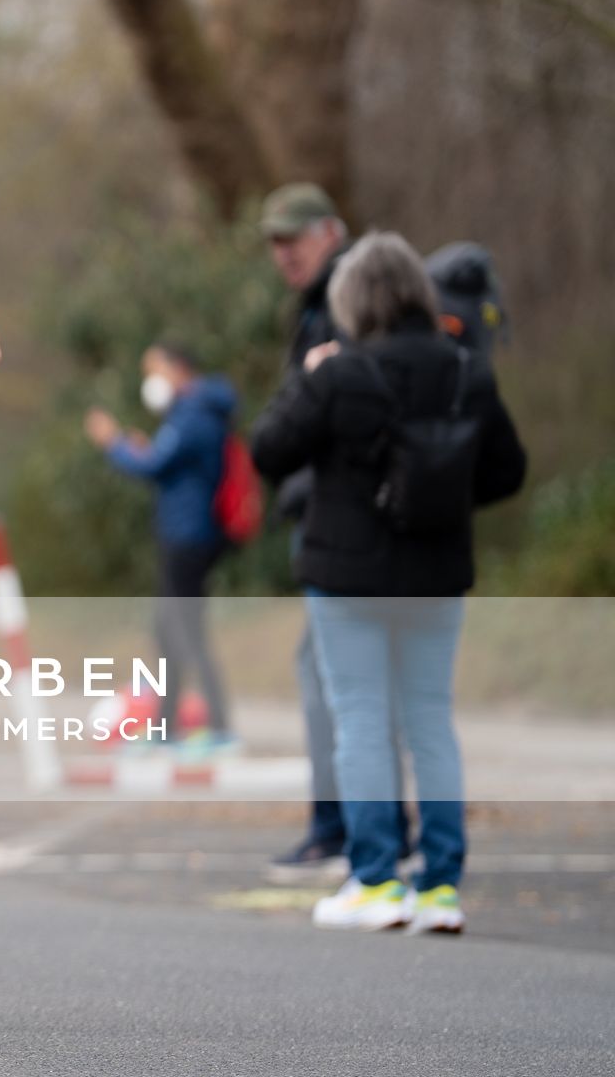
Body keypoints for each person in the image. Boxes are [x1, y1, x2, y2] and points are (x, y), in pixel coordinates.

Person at [252, 232, 524, 934]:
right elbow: (506, 471)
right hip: (437, 575)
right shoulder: (465, 371)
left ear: (352, 300)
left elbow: (269, 448)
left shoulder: (340, 373)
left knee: (362, 720)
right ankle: (440, 888)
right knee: (431, 721)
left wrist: (309, 373)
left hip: (348, 576)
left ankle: (374, 880)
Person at [258, 183, 409, 884]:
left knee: (336, 682)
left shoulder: (349, 303)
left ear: (331, 232)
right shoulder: (326, 303)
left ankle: (349, 833)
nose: (284, 251)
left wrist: (295, 474)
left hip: (347, 526)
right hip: (347, 519)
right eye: (276, 241)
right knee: (366, 686)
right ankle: (375, 831)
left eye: (294, 237)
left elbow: (335, 420)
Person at [85, 343, 237, 749]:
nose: (150, 381)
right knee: (168, 632)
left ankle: (220, 729)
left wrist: (113, 442)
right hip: (183, 535)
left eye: (154, 370)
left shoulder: (194, 413)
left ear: (179, 368)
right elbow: (166, 463)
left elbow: (152, 466)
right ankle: (166, 729)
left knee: (186, 632)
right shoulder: (193, 412)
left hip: (190, 537)